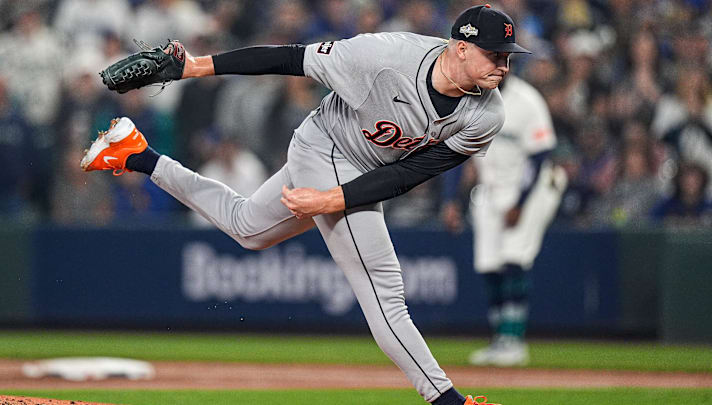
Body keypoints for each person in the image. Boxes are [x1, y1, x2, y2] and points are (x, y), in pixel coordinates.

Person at [81, 5, 529, 404]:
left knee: (247, 229)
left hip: (356, 172)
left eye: (508, 56)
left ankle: (135, 153)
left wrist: (331, 198)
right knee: (385, 291)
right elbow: (288, 58)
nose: (503, 66)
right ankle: (445, 399)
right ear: (462, 47)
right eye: (495, 54)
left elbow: (408, 175)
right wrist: (193, 67)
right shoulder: (383, 57)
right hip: (324, 147)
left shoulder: (486, 114)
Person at [442, 74, 566, 367]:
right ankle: (501, 340)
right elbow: (456, 155)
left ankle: (514, 341)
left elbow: (540, 158)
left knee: (513, 258)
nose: (496, 67)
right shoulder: (468, 99)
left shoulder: (527, 100)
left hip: (532, 188)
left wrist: (520, 204)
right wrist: (451, 201)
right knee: (489, 264)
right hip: (491, 187)